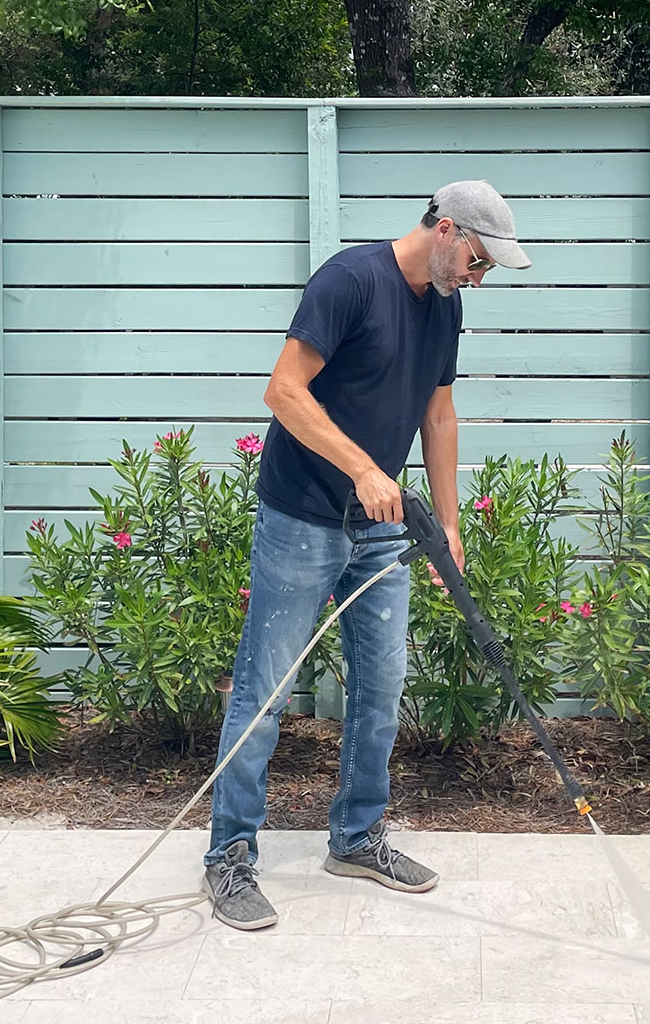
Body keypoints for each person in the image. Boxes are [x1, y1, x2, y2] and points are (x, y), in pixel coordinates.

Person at [201, 180, 532, 929]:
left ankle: (356, 837)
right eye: (478, 261)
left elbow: (438, 416)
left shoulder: (444, 305)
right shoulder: (349, 280)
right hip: (302, 515)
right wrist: (361, 467)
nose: (479, 278)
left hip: (381, 527)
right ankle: (229, 854)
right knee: (265, 689)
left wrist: (448, 526)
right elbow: (283, 392)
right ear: (446, 230)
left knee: (382, 686)